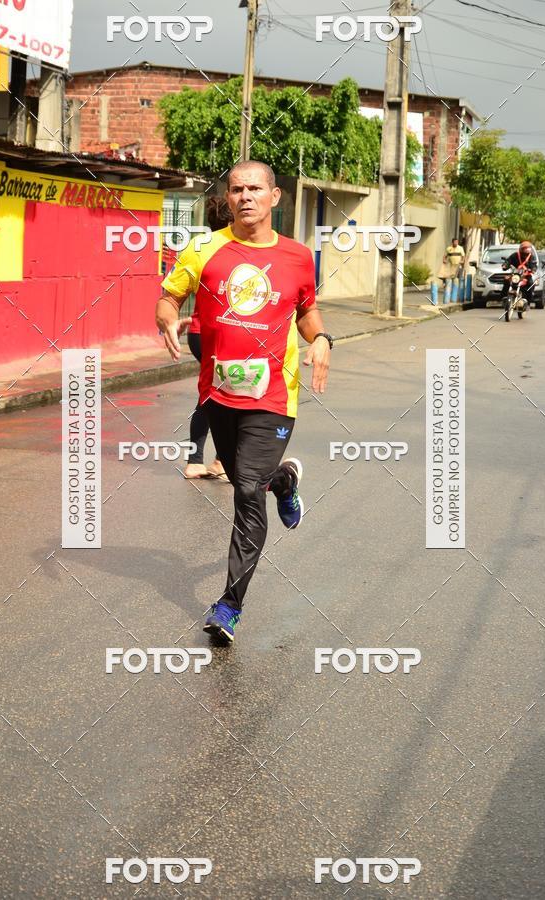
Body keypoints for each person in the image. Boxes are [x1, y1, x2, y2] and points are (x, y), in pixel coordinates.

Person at [155, 160, 332, 644]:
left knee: (246, 490)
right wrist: (165, 317)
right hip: (219, 392)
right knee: (242, 476)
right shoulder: (203, 249)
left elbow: (307, 310)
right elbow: (169, 296)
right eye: (237, 189)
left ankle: (229, 605)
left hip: (274, 394)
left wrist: (321, 338)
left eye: (255, 188)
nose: (245, 196)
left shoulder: (297, 256)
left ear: (275, 197)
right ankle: (285, 479)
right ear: (227, 198)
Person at [183, 196, 233, 481]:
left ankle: (196, 461)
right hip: (217, 335)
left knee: (210, 395)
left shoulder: (201, 248)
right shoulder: (233, 251)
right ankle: (220, 461)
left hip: (197, 333)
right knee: (229, 396)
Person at [499, 240, 538, 308]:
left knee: (531, 283)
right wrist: (505, 265)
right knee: (506, 280)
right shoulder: (515, 255)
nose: (527, 251)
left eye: (528, 249)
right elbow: (508, 261)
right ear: (521, 249)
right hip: (515, 275)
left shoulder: (531, 257)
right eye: (525, 249)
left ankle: (528, 301)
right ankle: (504, 297)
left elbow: (534, 264)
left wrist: (533, 269)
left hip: (526, 276)